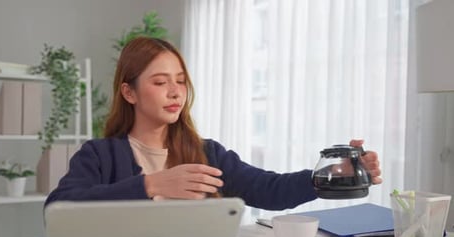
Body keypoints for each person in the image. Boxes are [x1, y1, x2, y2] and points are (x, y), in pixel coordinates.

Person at [44, 37, 382, 210]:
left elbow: (270, 189)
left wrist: (333, 174)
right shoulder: (99, 155)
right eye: (160, 82)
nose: (175, 91)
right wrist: (151, 186)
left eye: (180, 80)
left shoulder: (206, 153)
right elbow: (59, 208)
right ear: (129, 92)